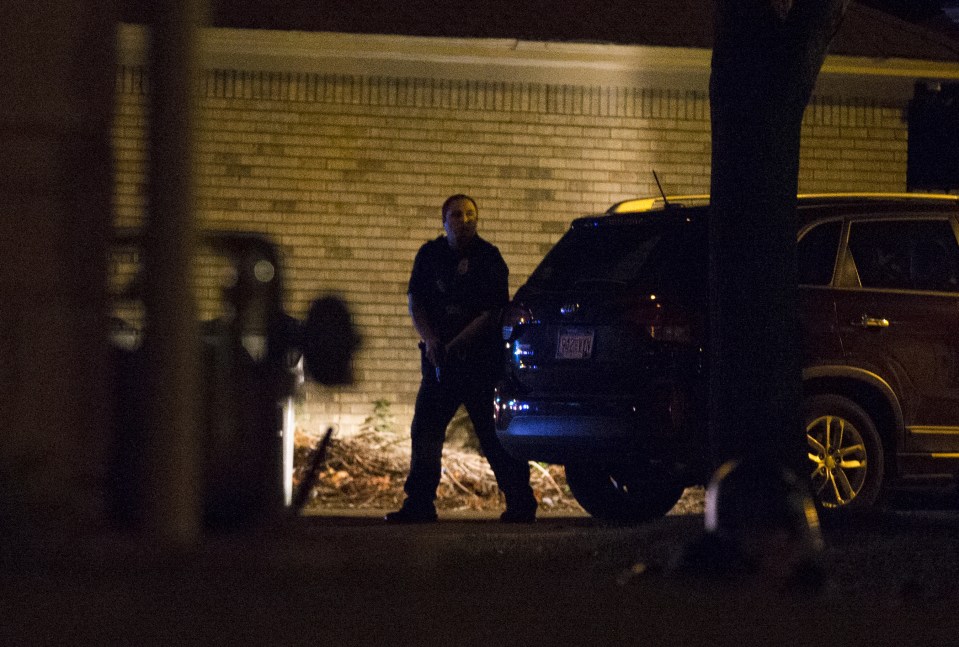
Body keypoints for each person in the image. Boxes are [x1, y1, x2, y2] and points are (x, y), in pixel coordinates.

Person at [386, 194, 537, 523]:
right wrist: (430, 340)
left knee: (493, 434)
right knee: (425, 430)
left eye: (471, 215)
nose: (465, 221)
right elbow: (416, 302)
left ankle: (521, 502)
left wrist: (452, 344)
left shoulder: (490, 258)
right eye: (457, 215)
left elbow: (490, 313)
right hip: (440, 364)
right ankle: (420, 504)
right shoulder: (430, 256)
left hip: (480, 363)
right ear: (444, 221)